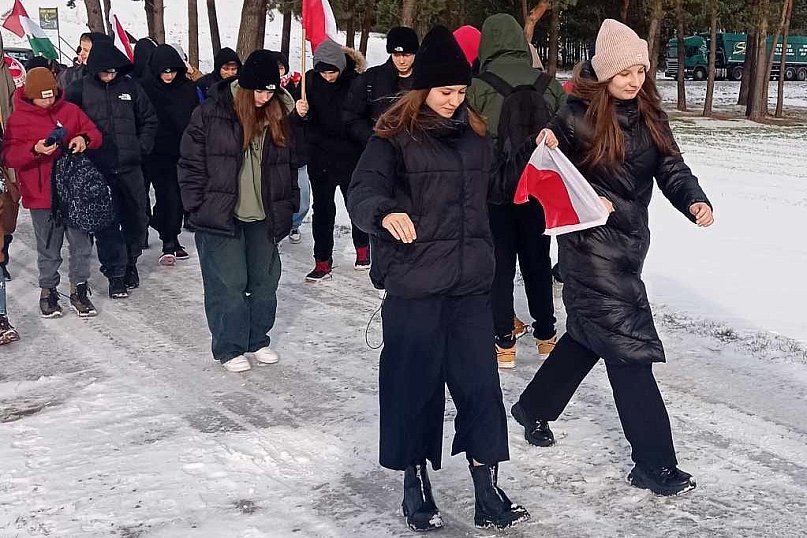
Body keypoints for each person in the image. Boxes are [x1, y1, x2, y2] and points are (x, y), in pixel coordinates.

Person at [510, 19, 714, 496]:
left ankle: (532, 408)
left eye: (640, 70)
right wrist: (546, 144)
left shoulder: (649, 114)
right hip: (587, 246)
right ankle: (654, 463)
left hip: (629, 244)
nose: (634, 80)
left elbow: (671, 166)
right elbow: (544, 169)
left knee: (587, 336)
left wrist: (693, 200)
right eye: (625, 71)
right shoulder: (575, 115)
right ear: (604, 72)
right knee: (628, 347)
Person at [347, 26, 530, 532]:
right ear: (422, 89)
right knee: (414, 388)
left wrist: (535, 158)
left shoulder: (475, 136)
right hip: (415, 286)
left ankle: (486, 488)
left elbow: (498, 186)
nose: (455, 100)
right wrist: (384, 213)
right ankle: (416, 483)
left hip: (470, 286)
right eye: (446, 91)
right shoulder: (393, 138)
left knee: (479, 388)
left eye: (461, 91)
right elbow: (362, 192)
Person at [178, 50, 299, 373]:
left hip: (264, 214)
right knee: (228, 283)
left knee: (265, 281)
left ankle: (256, 338)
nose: (264, 97)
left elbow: (287, 167)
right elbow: (190, 164)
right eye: (259, 90)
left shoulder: (278, 116)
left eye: (271, 90)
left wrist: (289, 206)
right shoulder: (210, 114)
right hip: (221, 214)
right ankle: (229, 345)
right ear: (244, 87)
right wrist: (197, 205)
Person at [467, 13, 567, 369]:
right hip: (538, 189)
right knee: (538, 262)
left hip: (495, 191)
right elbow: (566, 131)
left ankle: (504, 342)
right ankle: (546, 336)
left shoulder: (477, 86)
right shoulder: (547, 84)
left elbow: (468, 138)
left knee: (501, 265)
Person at [2, 67, 105, 317]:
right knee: (48, 247)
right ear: (30, 95)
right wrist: (35, 149)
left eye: (51, 95)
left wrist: (84, 139)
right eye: (42, 97)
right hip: (40, 194)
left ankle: (79, 288)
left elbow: (94, 133)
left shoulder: (70, 110)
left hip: (74, 192)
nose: (48, 101)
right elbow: (8, 156)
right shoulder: (18, 119)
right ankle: (48, 290)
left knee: (81, 245)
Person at [66, 42, 158, 291]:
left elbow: (149, 119)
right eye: (105, 71)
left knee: (137, 218)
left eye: (114, 71)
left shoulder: (130, 87)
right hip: (97, 170)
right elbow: (67, 124)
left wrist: (141, 147)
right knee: (106, 223)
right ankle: (116, 273)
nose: (110, 75)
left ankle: (131, 263)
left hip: (130, 166)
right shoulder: (78, 90)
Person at [294, 39, 368, 281]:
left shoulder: (355, 82)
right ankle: (322, 261)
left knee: (355, 204)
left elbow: (361, 117)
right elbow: (297, 122)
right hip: (321, 156)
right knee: (323, 210)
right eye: (323, 72)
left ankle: (363, 250)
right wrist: (300, 112)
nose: (328, 77)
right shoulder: (309, 82)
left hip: (350, 155)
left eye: (332, 71)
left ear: (340, 67)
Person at [142, 44, 199, 264]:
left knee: (176, 197)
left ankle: (168, 234)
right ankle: (164, 235)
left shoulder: (186, 88)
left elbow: (194, 118)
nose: (169, 75)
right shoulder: (145, 88)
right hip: (153, 152)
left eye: (172, 70)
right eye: (164, 71)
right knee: (160, 196)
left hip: (181, 151)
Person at [343, 26, 419, 147]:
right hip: (380, 148)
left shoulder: (425, 80)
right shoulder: (371, 78)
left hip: (417, 149)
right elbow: (351, 115)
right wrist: (372, 138)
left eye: (406, 55)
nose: (401, 61)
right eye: (396, 55)